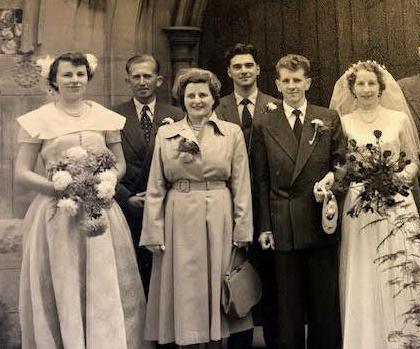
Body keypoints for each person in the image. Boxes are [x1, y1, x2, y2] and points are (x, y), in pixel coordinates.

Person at [16, 52, 149, 348]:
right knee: (65, 280)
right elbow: (22, 173)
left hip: (99, 209)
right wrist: (59, 188)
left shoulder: (104, 117)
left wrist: (106, 181)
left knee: (102, 279)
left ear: (87, 77)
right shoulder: (37, 120)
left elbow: (119, 164)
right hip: (58, 213)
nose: (74, 80)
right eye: (67, 75)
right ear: (53, 80)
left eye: (80, 74)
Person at [140, 68, 254, 348]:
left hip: (218, 212)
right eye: (191, 95)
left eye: (203, 94)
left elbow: (241, 184)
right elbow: (156, 186)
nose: (197, 100)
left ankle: (216, 342)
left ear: (214, 98)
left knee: (217, 283)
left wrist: (243, 228)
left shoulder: (231, 133)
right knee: (185, 286)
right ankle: (187, 343)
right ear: (183, 99)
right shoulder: (167, 133)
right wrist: (153, 231)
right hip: (178, 215)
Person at [330, 60, 420, 348]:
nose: (366, 89)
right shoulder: (343, 121)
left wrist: (399, 178)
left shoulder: (398, 118)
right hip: (360, 202)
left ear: (380, 87)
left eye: (371, 83)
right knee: (365, 268)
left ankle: (409, 338)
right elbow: (341, 164)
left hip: (396, 200)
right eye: (360, 84)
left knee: (400, 264)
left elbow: (413, 160)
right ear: (352, 89)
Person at [252, 54, 346, 349]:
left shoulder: (328, 118)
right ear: (277, 84)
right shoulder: (264, 123)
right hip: (283, 223)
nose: (292, 86)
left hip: (319, 221)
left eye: (298, 80)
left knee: (323, 305)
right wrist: (265, 226)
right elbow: (261, 178)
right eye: (286, 81)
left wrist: (331, 185)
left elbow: (342, 165)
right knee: (287, 306)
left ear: (308, 82)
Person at [215, 43, 280, 349]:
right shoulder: (217, 108)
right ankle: (239, 343)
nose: (243, 71)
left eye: (249, 65)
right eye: (237, 66)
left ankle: (274, 339)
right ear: (229, 72)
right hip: (232, 204)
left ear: (257, 70)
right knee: (236, 272)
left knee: (272, 276)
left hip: (270, 204)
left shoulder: (276, 106)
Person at [113, 54, 184, 295]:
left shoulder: (176, 115)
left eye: (148, 76)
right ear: (127, 80)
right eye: (136, 76)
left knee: (167, 272)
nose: (142, 81)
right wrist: (125, 197)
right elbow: (104, 162)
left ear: (159, 80)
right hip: (131, 205)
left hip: (167, 205)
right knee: (135, 274)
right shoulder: (113, 117)